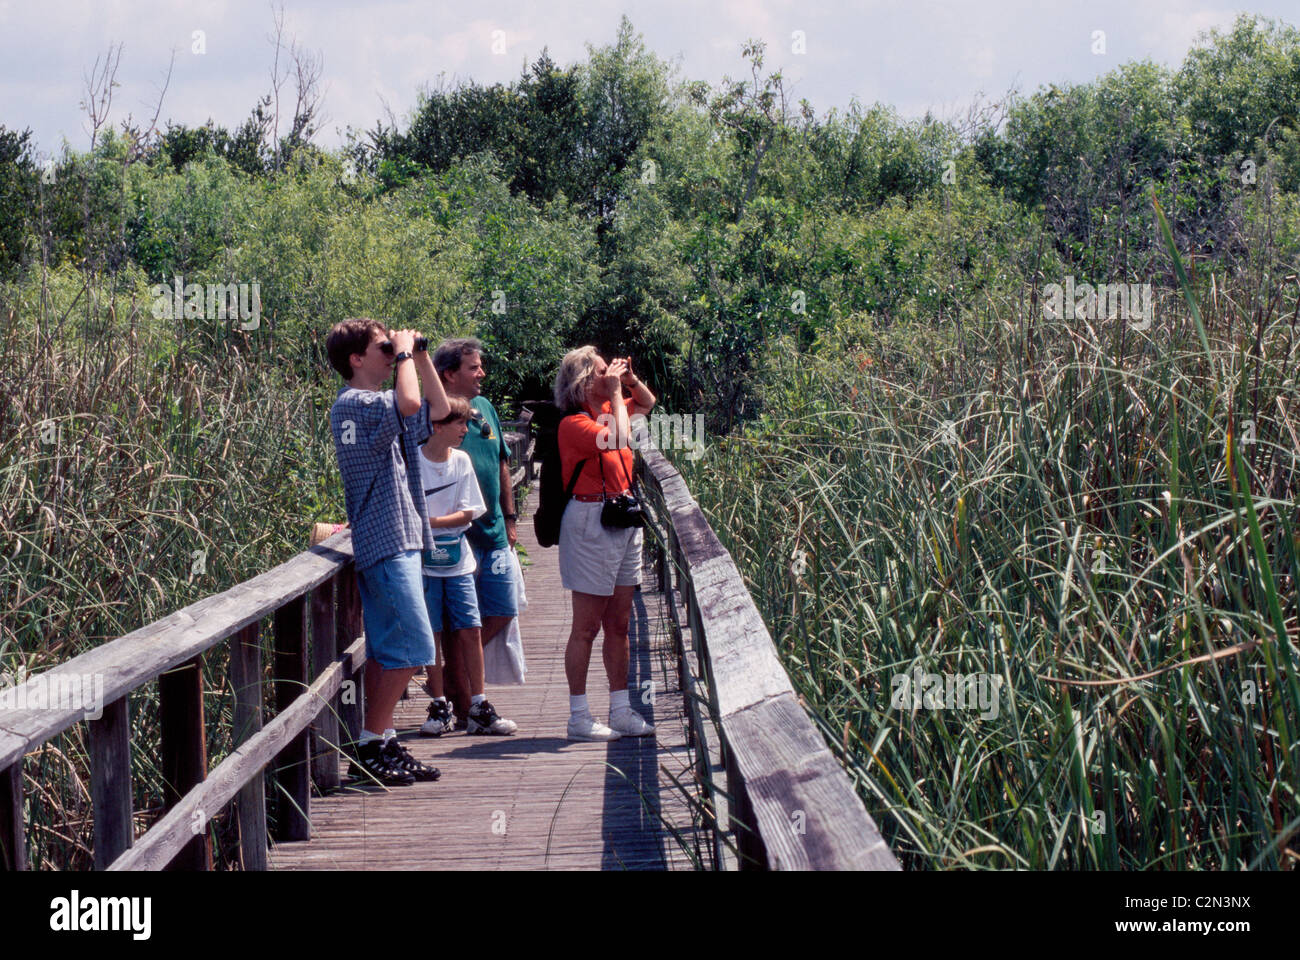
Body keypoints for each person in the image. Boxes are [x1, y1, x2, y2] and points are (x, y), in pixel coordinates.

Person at [326, 319, 446, 785]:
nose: (390, 350)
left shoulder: (379, 403)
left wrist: (418, 353)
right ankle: (368, 743)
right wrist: (402, 357)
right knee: (413, 647)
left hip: (401, 536)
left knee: (388, 650)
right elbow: (412, 401)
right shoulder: (352, 405)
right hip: (385, 539)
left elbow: (434, 406)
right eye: (381, 347)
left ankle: (384, 739)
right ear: (357, 359)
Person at [553, 346, 657, 741]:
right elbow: (618, 440)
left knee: (619, 624)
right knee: (587, 626)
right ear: (583, 382)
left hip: (623, 521)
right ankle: (579, 716)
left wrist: (628, 382)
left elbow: (647, 403)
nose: (609, 375)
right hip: (590, 522)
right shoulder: (573, 425)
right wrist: (616, 393)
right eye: (601, 372)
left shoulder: (610, 410)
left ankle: (620, 709)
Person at [421, 338, 519, 735]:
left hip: (491, 531)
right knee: (449, 622)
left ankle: (450, 681)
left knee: (500, 609)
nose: (481, 373)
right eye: (473, 367)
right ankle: (461, 706)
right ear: (449, 374)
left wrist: (510, 518)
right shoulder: (428, 414)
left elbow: (501, 464)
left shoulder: (486, 409)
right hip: (452, 542)